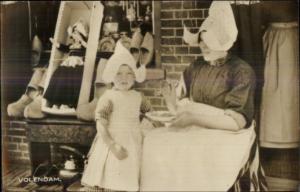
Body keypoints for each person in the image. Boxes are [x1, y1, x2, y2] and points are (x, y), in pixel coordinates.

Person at [156, 1, 267, 191]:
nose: (202, 45)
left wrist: (193, 119)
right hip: (197, 131)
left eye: (208, 41)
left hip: (227, 134)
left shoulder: (241, 71)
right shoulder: (195, 67)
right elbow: (177, 110)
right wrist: (169, 99)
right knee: (158, 145)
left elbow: (237, 123)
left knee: (204, 158)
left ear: (222, 41)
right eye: (200, 40)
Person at [81, 41, 150, 191]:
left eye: (128, 73)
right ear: (112, 76)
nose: (123, 78)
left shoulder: (139, 97)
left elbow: (149, 114)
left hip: (134, 141)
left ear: (134, 76)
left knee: (130, 176)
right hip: (113, 143)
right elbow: (101, 124)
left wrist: (148, 127)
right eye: (118, 73)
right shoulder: (109, 97)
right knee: (113, 177)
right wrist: (113, 145)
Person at [43, 19, 88, 111]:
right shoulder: (72, 45)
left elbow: (89, 48)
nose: (75, 35)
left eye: (77, 33)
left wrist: (81, 40)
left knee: (72, 80)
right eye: (74, 33)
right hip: (68, 63)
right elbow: (64, 48)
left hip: (77, 64)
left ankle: (69, 103)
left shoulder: (83, 45)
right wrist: (55, 43)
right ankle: (56, 101)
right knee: (59, 76)